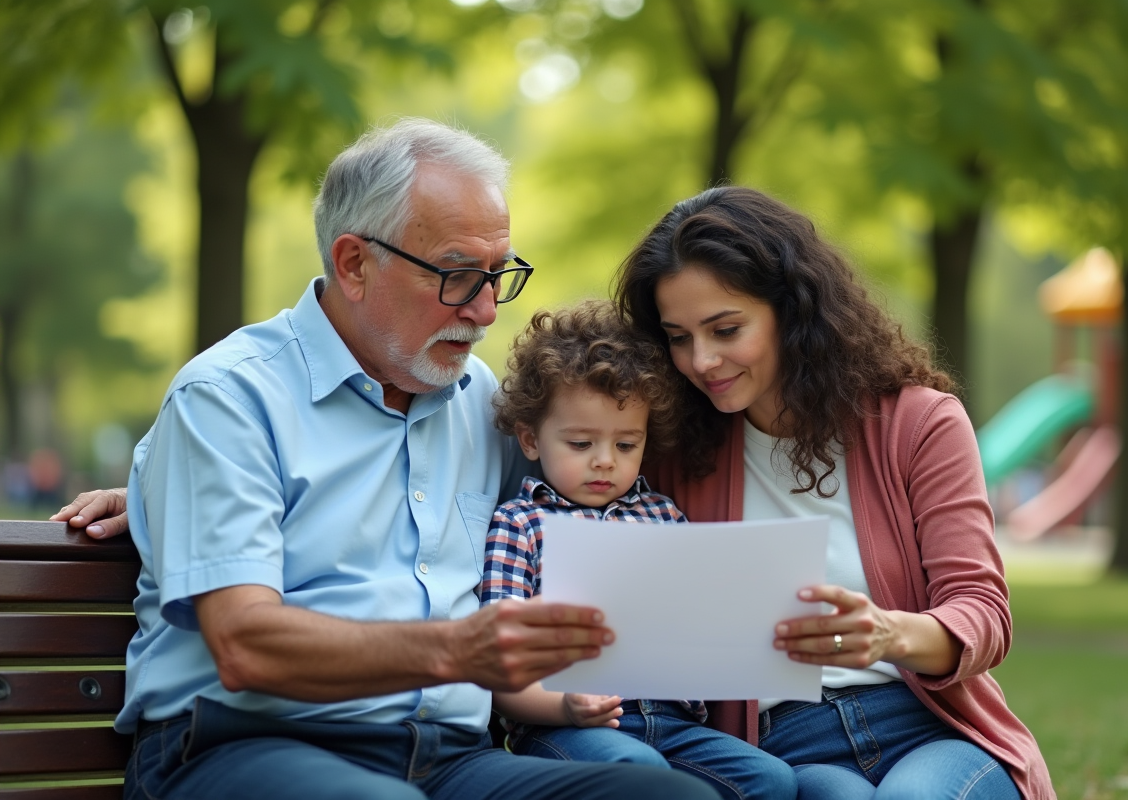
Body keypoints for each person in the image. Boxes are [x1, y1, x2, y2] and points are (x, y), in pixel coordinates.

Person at [53, 120, 719, 800]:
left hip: (451, 760)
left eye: (499, 275)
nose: (488, 310)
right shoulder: (227, 400)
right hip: (242, 747)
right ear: (354, 264)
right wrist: (457, 650)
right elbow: (243, 644)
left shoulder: (479, 399)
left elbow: (592, 497)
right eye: (461, 275)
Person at [614, 186, 1055, 799]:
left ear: (791, 310)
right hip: (780, 747)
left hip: (926, 727)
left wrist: (889, 634)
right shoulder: (667, 451)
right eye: (678, 337)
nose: (702, 360)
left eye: (725, 328)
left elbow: (983, 611)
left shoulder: (918, 424)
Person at [479, 300, 797, 799]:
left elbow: (706, 626)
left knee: (771, 781)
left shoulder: (663, 516)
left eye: (626, 445)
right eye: (581, 444)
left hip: (673, 722)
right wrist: (563, 707)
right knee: (637, 769)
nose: (605, 462)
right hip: (568, 725)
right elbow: (499, 664)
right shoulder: (521, 525)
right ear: (530, 439)